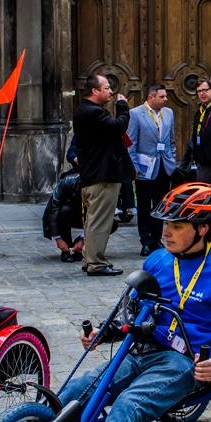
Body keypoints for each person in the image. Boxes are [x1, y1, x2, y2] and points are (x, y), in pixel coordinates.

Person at [57, 183, 211, 422]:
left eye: (177, 226)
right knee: (81, 387)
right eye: (166, 224)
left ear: (202, 229)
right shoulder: (158, 261)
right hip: (142, 349)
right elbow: (133, 312)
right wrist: (103, 333)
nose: (166, 232)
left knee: (130, 402)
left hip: (184, 362)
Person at [72, 74, 135, 277]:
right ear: (95, 91)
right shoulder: (93, 113)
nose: (110, 91)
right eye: (106, 88)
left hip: (93, 173)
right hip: (102, 175)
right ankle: (96, 262)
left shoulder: (86, 110)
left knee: (93, 220)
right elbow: (117, 127)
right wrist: (123, 108)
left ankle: (89, 258)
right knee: (100, 221)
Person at [127, 84, 178, 257]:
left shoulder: (169, 113)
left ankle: (157, 239)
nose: (166, 99)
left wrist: (172, 158)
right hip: (145, 167)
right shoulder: (135, 114)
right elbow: (131, 143)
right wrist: (134, 167)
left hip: (164, 166)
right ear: (151, 97)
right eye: (162, 97)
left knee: (161, 205)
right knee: (143, 205)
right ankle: (146, 241)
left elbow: (171, 139)